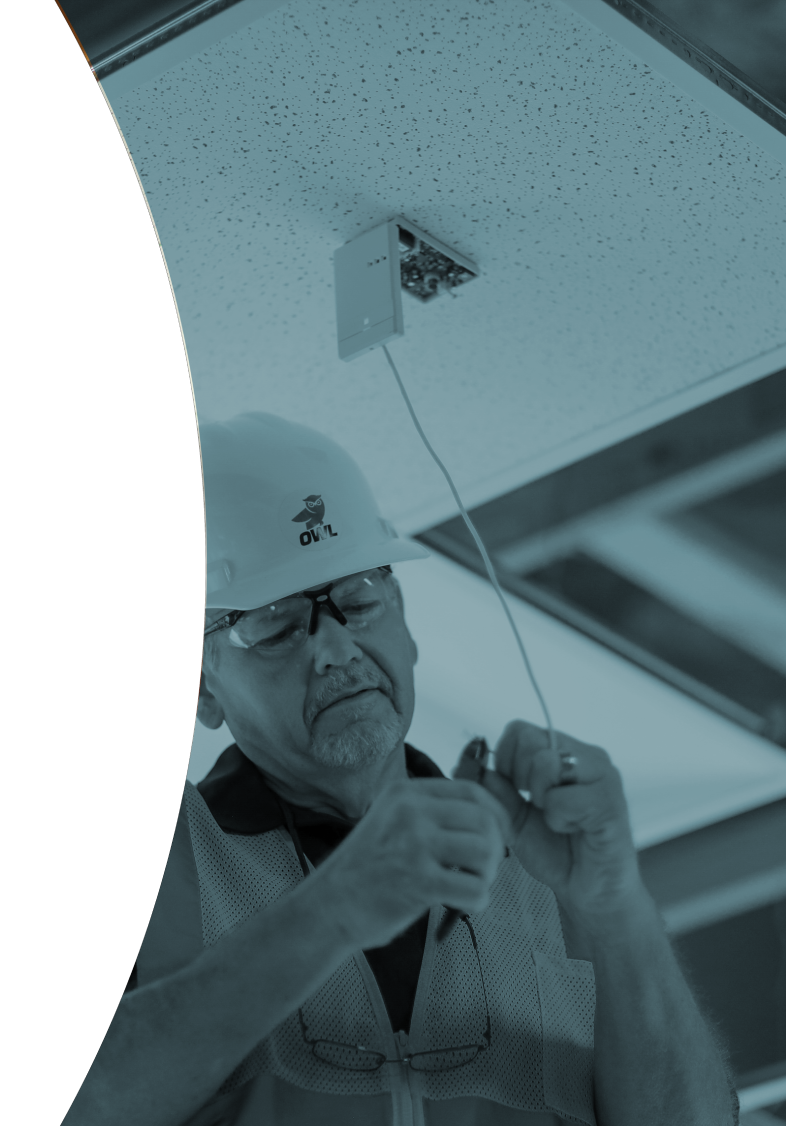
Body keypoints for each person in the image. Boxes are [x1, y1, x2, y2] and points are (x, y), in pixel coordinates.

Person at [66, 412, 740, 1126]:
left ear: (406, 624)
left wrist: (617, 906)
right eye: (276, 626)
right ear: (204, 690)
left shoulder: (548, 873)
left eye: (359, 602)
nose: (337, 650)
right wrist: (331, 910)